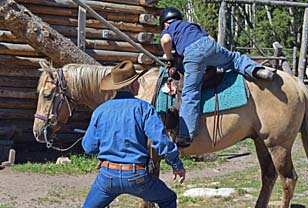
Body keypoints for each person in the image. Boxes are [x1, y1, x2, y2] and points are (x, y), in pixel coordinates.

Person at [159, 7, 275, 148]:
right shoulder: (191, 25)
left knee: (190, 93)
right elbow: (210, 38)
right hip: (210, 46)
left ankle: (185, 134)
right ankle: (256, 70)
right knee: (234, 59)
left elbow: (166, 40)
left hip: (192, 54)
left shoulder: (168, 28)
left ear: (165, 23)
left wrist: (169, 57)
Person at [82, 60, 186, 208]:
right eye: (137, 82)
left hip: (107, 176)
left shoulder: (100, 111)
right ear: (132, 85)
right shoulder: (144, 109)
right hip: (137, 176)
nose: (139, 85)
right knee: (168, 198)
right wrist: (176, 165)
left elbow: (88, 147)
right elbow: (161, 142)